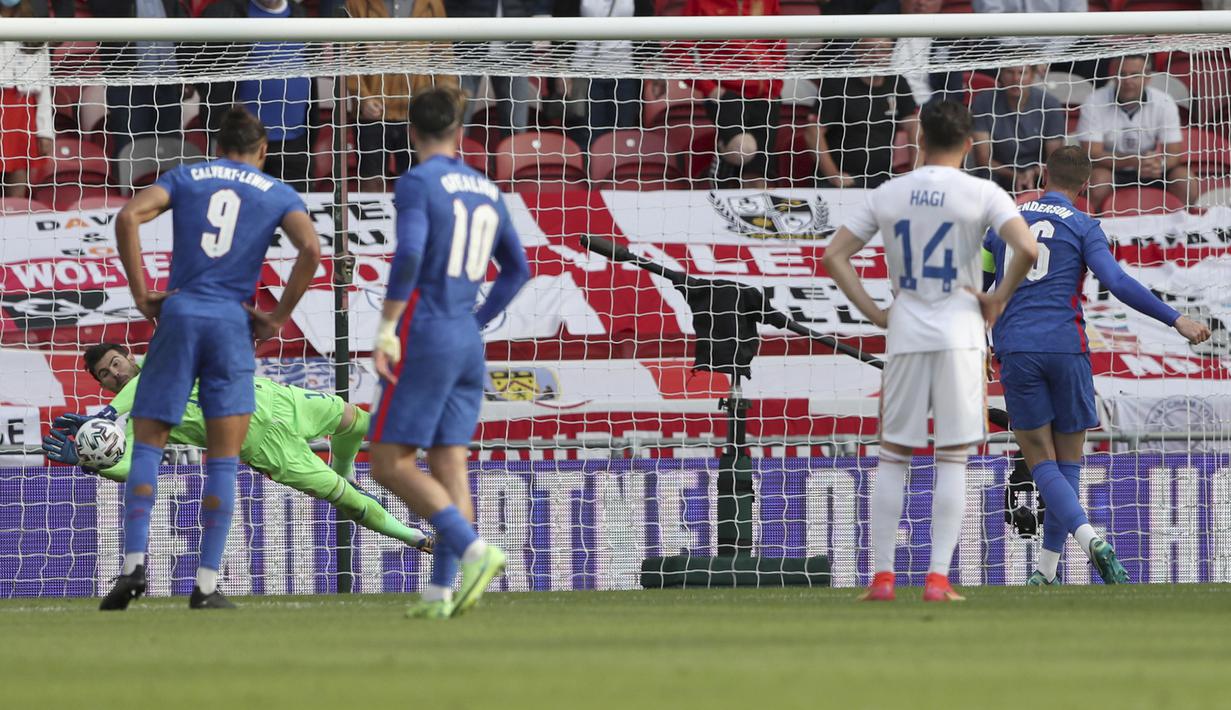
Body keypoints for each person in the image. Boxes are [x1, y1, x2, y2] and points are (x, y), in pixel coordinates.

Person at [104, 107, 321, 610]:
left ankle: (134, 568)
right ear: (262, 150)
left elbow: (127, 216)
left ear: (216, 146)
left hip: (179, 314)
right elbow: (310, 249)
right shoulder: (275, 192)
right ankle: (204, 585)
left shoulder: (187, 175)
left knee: (149, 445)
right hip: (229, 322)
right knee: (224, 455)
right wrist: (276, 318)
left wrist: (142, 294)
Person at [822, 101, 1038, 602]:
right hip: (961, 334)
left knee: (894, 455)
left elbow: (834, 255)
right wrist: (997, 298)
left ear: (918, 140)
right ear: (968, 143)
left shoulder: (889, 193)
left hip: (907, 333)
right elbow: (1026, 249)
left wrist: (877, 313)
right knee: (953, 458)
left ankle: (882, 577)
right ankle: (938, 579)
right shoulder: (983, 191)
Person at [981, 146, 1211, 586]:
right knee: (1068, 461)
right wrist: (1177, 318)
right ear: (1086, 184)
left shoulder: (1004, 221)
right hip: (1068, 348)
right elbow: (1118, 282)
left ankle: (1073, 553)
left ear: (1043, 175)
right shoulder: (1084, 225)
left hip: (1017, 349)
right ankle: (1050, 569)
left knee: (1040, 459)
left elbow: (980, 283)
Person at [369, 86, 529, 619]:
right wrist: (477, 320)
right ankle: (439, 596)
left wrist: (388, 325)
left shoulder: (417, 181)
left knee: (387, 462)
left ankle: (475, 550)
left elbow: (411, 252)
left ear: (411, 132)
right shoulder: (486, 187)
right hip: (464, 336)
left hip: (428, 330)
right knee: (447, 462)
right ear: (460, 133)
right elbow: (519, 270)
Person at [42, 343, 433, 553]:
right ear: (102, 383)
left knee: (357, 420)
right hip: (262, 446)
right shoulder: (135, 425)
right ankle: (416, 538)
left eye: (115, 363)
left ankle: (345, 463)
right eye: (105, 375)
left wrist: (107, 412)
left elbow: (149, 381)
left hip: (276, 401)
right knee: (346, 499)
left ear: (129, 355)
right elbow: (130, 468)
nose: (115, 373)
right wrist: (91, 460)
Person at [1078, 54, 1195, 210]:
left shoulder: (1164, 102)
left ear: (1147, 77)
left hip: (1151, 169)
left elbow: (1174, 153)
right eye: (1122, 74)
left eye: (1134, 75)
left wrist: (1158, 164)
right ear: (1113, 75)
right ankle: (1097, 228)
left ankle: (1182, 230)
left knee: (1185, 180)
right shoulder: (1094, 101)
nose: (1127, 81)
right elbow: (1092, 154)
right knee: (1098, 181)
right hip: (1111, 168)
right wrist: (1133, 161)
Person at [806, 37, 918, 188]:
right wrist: (833, 175)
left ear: (891, 54)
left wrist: (916, 172)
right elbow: (813, 132)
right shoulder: (837, 82)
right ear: (857, 51)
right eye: (869, 49)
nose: (876, 55)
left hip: (883, 178)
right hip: (842, 179)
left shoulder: (898, 83)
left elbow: (914, 126)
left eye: (883, 50)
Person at [970, 64, 1066, 194]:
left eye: (1022, 73)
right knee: (985, 178)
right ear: (1001, 75)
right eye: (1009, 72)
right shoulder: (984, 102)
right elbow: (983, 158)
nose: (1016, 79)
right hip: (999, 171)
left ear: (1032, 76)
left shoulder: (1050, 104)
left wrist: (1033, 172)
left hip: (1038, 173)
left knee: (1058, 177)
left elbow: (1054, 157)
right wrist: (1016, 176)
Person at [0, 0, 53, 198]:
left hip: (22, 106)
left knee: (19, 167)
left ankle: (14, 215)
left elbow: (44, 82)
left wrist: (45, 131)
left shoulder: (33, 25)